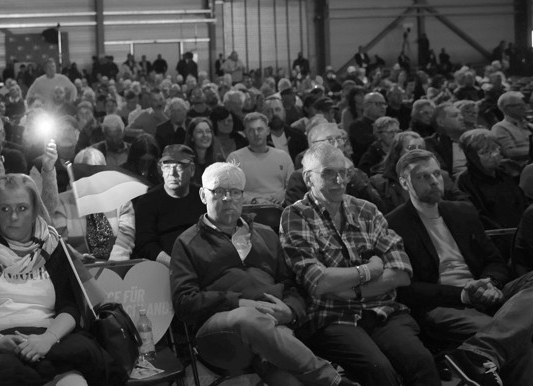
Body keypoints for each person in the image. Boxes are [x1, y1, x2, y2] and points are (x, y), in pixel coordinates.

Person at [171, 162, 353, 386]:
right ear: (202, 194)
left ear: (243, 196)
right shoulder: (187, 242)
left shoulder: (266, 235)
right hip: (220, 333)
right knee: (248, 319)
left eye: (235, 192)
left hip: (272, 327)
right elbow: (184, 302)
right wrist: (240, 303)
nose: (228, 198)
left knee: (286, 377)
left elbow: (292, 285)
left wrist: (291, 311)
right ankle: (333, 381)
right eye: (219, 191)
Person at [0, 174, 120, 385]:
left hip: (52, 343)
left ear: (34, 211)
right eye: (5, 209)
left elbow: (70, 307)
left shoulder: (55, 248)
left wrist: (47, 340)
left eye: (22, 208)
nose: (13, 217)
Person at [280, 142, 440, 386]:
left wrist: (353, 290)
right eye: (328, 173)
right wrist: (371, 270)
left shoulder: (367, 210)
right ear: (308, 178)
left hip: (382, 311)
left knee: (421, 361)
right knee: (379, 370)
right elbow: (318, 282)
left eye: (343, 172)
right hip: (330, 316)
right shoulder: (296, 215)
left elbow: (401, 272)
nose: (339, 180)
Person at [387, 149, 533, 386]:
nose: (435, 181)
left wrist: (490, 283)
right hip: (443, 303)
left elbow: (494, 260)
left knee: (512, 325)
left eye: (436, 174)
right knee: (513, 336)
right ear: (405, 182)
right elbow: (407, 289)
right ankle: (482, 353)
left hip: (483, 290)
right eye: (424, 177)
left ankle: (479, 352)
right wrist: (463, 294)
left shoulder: (461, 211)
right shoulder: (393, 224)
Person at [132, 144, 204, 265]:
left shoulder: (203, 197)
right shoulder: (147, 201)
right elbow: (145, 243)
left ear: (191, 170)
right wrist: (173, 264)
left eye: (179, 167)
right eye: (167, 167)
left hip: (201, 262)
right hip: (162, 267)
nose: (172, 173)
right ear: (161, 169)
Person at [456, 129, 526, 229]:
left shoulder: (508, 170)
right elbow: (478, 218)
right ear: (472, 156)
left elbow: (522, 203)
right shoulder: (465, 182)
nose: (495, 155)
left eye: (495, 149)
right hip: (496, 236)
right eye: (485, 152)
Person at [227, 112, 293, 206]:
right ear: (245, 133)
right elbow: (232, 189)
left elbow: (293, 186)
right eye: (251, 130)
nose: (256, 133)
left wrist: (284, 194)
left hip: (280, 207)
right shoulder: (235, 158)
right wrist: (253, 200)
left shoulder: (283, 156)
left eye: (260, 129)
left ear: (268, 131)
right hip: (249, 210)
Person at [424, 103, 467, 178]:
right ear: (441, 122)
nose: (461, 118)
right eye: (455, 115)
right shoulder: (431, 144)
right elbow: (442, 172)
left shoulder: (470, 139)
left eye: (460, 114)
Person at [491, 91, 532, 164]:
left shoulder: (529, 125)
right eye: (519, 105)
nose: (524, 107)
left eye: (523, 104)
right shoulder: (500, 128)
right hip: (523, 169)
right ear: (507, 108)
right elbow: (509, 152)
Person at [348, 92, 387, 165]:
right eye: (378, 104)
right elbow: (365, 145)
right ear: (366, 105)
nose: (383, 107)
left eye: (384, 104)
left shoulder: (386, 125)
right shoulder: (356, 126)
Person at [184, 116, 227, 181]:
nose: (205, 135)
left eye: (208, 131)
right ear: (191, 137)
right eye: (200, 132)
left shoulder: (219, 161)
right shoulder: (183, 163)